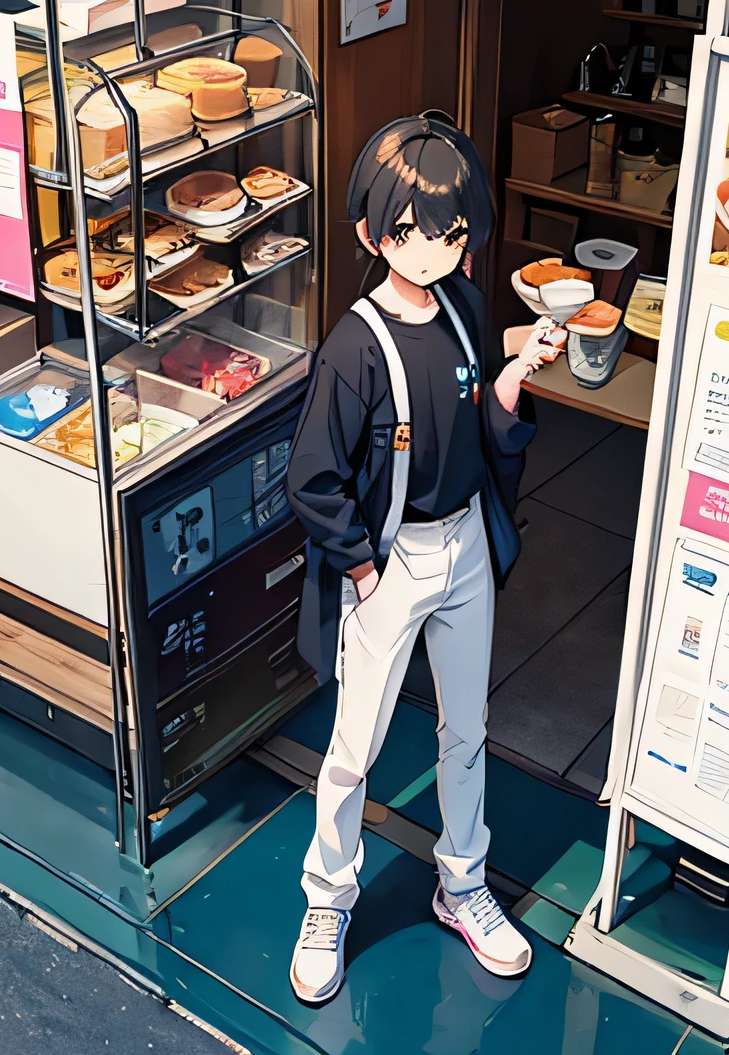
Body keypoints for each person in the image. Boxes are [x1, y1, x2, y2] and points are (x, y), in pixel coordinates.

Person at [283, 114, 562, 1005]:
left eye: (449, 232)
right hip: (390, 559)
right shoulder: (354, 347)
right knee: (353, 747)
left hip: (466, 543)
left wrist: (512, 383)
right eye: (409, 232)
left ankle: (463, 885)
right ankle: (327, 899)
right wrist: (364, 568)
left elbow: (480, 420)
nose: (433, 248)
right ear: (373, 233)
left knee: (465, 732)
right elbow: (311, 477)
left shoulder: (468, 308)